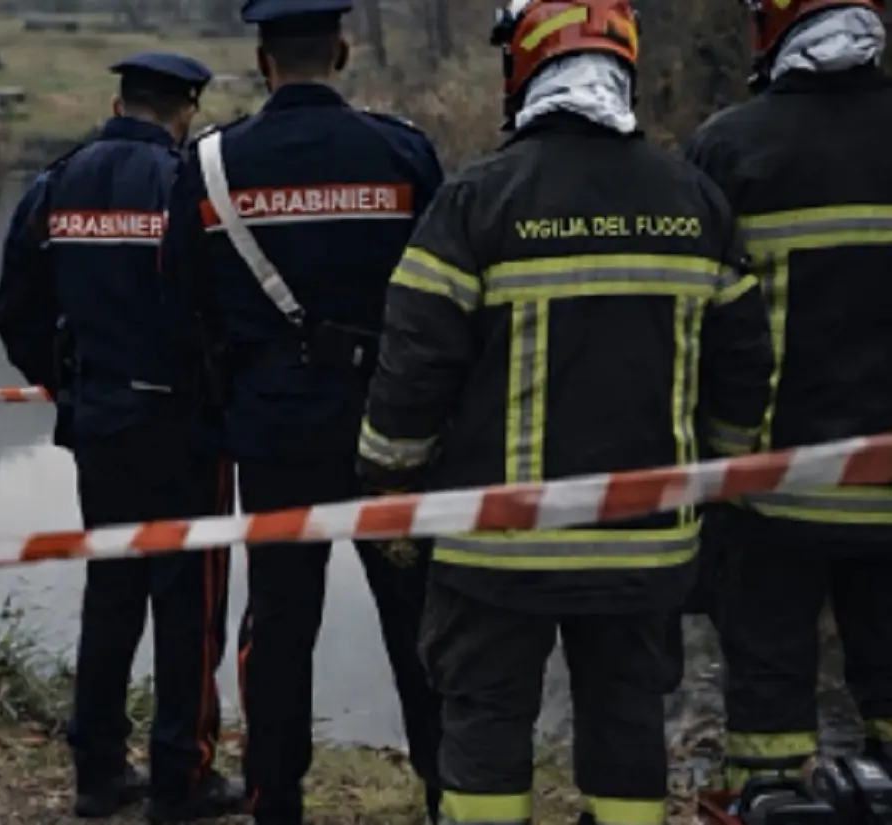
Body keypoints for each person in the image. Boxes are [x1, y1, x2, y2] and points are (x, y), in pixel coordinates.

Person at [355, 2, 776, 824]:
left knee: (485, 722)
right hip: (646, 543)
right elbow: (742, 366)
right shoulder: (692, 199)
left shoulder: (477, 199)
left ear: (523, 67)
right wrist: (713, 478)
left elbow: (413, 366)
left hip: (495, 547)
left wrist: (390, 483)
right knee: (627, 723)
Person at [159, 1, 446, 821]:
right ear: (342, 51)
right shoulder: (402, 153)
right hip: (393, 428)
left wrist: (229, 395)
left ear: (262, 60)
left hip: (274, 427)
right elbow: (445, 299)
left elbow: (177, 303)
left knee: (280, 623)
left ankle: (275, 800)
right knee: (419, 621)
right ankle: (451, 794)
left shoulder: (211, 163)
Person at [0, 51, 243, 823]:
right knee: (188, 602)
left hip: (99, 423)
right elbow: (223, 305)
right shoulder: (187, 184)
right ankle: (180, 776)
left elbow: (14, 309)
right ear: (185, 111)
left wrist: (68, 382)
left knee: (112, 594)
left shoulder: (56, 184)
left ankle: (97, 771)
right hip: (184, 428)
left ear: (116, 104)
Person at [683, 0, 892, 789]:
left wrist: (712, 457)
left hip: (771, 492)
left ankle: (771, 799)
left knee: (768, 712)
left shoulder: (728, 149)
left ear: (768, 28)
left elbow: (699, 325)